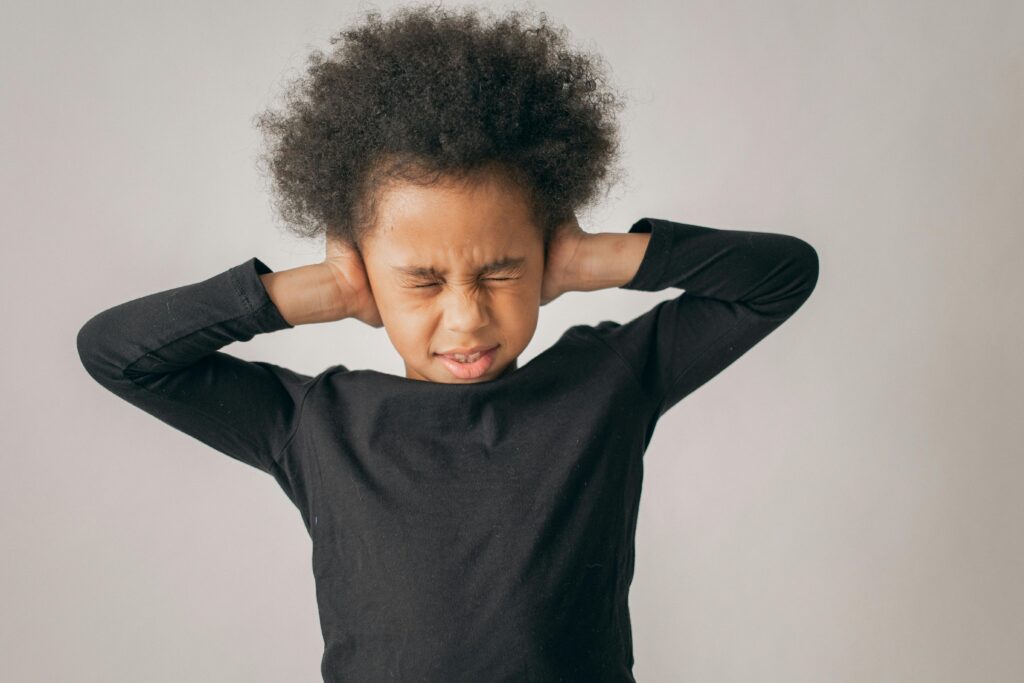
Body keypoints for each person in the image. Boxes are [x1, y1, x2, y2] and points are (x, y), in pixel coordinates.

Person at [76, 5, 818, 681]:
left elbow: (782, 277)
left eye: (500, 271)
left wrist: (600, 258)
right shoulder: (316, 425)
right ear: (363, 268)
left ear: (545, 252)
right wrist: (315, 293)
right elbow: (117, 354)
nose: (465, 318)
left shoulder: (608, 382)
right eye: (423, 281)